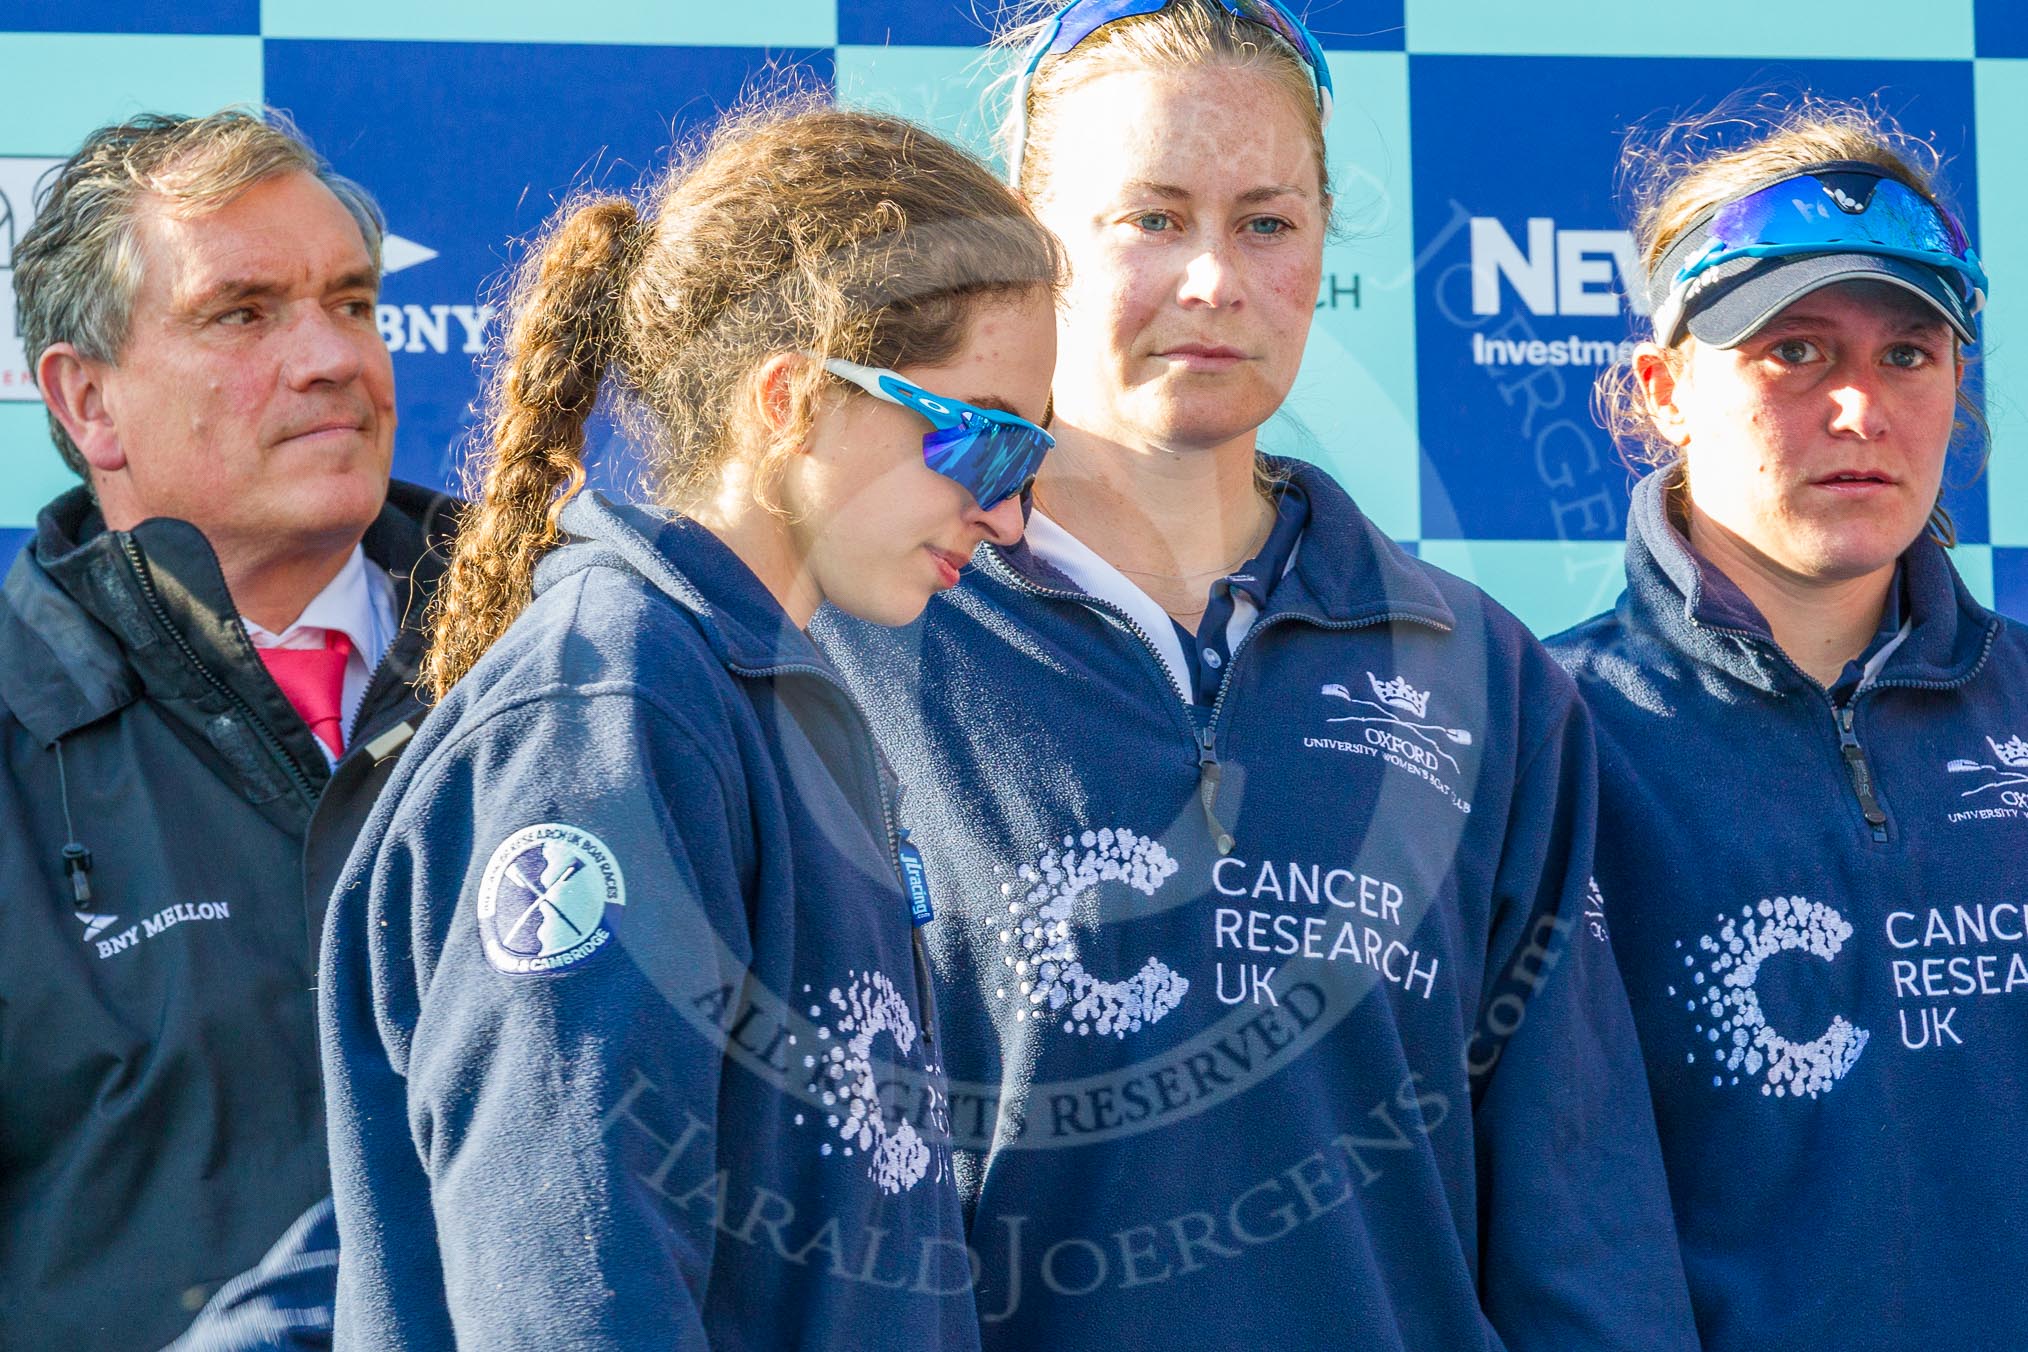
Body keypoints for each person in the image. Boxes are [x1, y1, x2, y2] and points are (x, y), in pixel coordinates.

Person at [813, 3, 1699, 1349]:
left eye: (1267, 222)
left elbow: (1581, 1224)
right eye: (1151, 218)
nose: (1214, 279)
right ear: (1025, 241)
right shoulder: (855, 639)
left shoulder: (1480, 672)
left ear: (1324, 241)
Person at [317, 102, 1062, 1349]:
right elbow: (569, 1286)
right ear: (790, 397)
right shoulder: (610, 714)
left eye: (1034, 455)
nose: (1011, 517)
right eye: (984, 441)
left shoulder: (767, 700)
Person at [1550, 100, 2028, 1350]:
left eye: (1908, 354)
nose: (1860, 408)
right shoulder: (1545, 734)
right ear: (1664, 388)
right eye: (1796, 350)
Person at [0, 108, 450, 1352]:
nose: (333, 358)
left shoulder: (568, 664)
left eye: (353, 302)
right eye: (244, 313)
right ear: (89, 401)